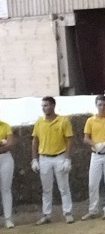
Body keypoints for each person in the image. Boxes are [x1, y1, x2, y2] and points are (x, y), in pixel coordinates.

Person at [31, 96, 74, 224]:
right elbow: (35, 140)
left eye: (46, 105)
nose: (44, 108)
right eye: (42, 106)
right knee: (46, 189)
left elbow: (69, 140)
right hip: (44, 158)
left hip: (59, 156)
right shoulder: (39, 122)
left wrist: (67, 158)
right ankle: (46, 214)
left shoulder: (63, 121)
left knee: (63, 187)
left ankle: (68, 212)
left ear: (53, 106)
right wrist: (34, 159)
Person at [0, 117, 15, 228]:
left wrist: (5, 144)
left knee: (6, 188)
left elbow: (9, 144)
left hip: (5, 158)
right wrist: (1, 142)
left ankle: (8, 218)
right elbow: (5, 143)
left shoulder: (5, 125)